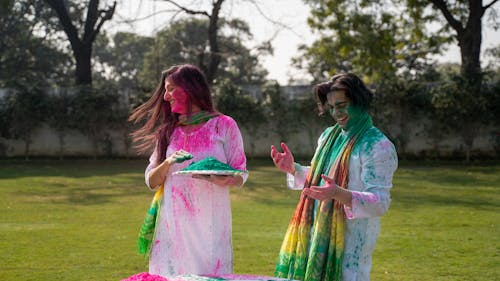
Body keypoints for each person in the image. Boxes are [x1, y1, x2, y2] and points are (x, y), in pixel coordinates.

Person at [271, 73, 397, 281]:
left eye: (342, 105)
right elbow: (319, 180)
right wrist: (293, 169)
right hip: (317, 230)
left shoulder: (377, 145)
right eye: (331, 107)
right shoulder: (329, 136)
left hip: (352, 240)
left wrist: (339, 193)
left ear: (359, 101)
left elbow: (380, 203)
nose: (336, 113)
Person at [129, 64, 247, 277]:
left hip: (211, 227)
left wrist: (227, 179)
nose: (166, 96)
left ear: (190, 88)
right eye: (165, 90)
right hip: (173, 228)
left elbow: (241, 173)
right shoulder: (168, 132)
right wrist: (167, 163)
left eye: (171, 88)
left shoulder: (223, 125)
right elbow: (151, 181)